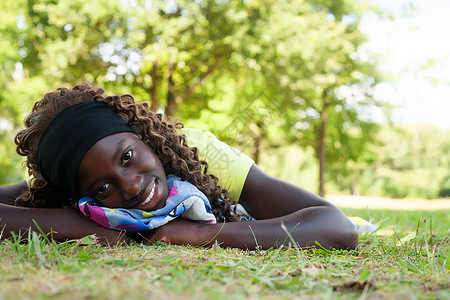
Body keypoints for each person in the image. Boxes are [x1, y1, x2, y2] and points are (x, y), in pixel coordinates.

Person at [0, 82, 358, 250]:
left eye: (126, 157)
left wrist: (204, 235)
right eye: (102, 189)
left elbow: (336, 226)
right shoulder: (74, 200)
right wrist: (76, 224)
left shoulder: (207, 157)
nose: (131, 187)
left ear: (141, 135)